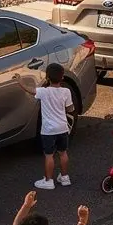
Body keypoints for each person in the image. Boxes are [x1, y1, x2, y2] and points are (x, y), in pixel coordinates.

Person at [34, 63, 74, 191]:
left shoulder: (43, 92)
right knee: (63, 153)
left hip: (48, 130)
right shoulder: (66, 91)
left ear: (47, 77)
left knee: (49, 155)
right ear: (62, 77)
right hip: (63, 128)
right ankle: (65, 177)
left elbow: (31, 91)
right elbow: (70, 108)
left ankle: (48, 180)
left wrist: (19, 81)